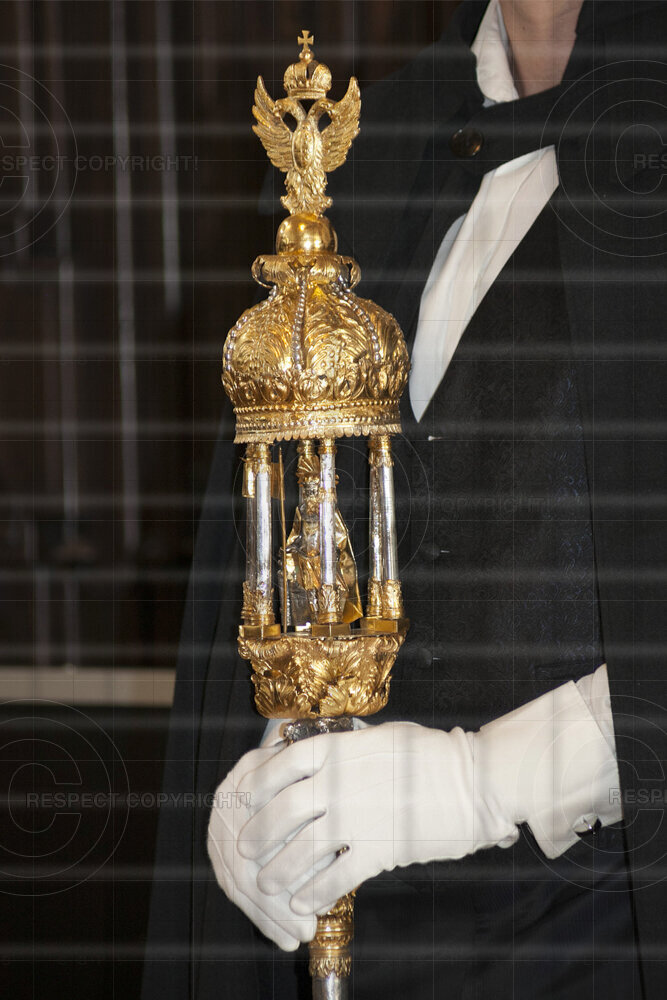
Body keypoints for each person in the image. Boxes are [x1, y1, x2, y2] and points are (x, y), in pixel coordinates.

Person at [142, 2, 667, 998]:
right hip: (372, 946)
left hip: (612, 934)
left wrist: (480, 781)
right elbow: (291, 529)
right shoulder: (372, 145)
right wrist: (275, 762)